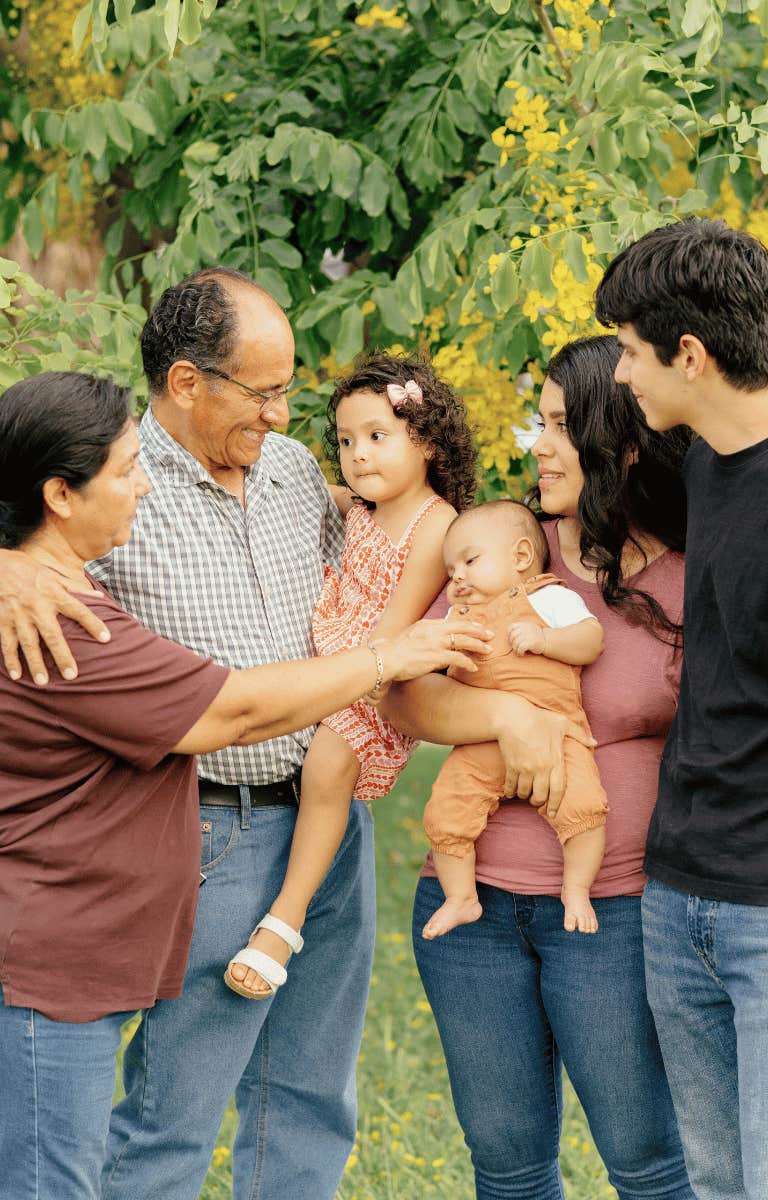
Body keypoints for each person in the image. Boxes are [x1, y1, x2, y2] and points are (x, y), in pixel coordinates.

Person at [0, 270, 492, 1200]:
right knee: (173, 1116)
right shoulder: (111, 493)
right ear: (188, 382)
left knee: (311, 1099)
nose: (279, 414)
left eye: (288, 391)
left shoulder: (298, 470)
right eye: (262, 391)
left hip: (327, 818)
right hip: (207, 829)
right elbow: (27, 518)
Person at [384, 335, 695, 1199]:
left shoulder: (689, 574)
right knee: (509, 1167)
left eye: (561, 426)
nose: (538, 446)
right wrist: (506, 713)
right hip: (473, 908)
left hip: (618, 911)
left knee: (648, 1161)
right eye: (540, 422)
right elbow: (402, 695)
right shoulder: (502, 552)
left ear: (621, 441)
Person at [595, 217, 768, 1199]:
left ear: (689, 355)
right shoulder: (700, 458)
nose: (621, 376)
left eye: (628, 352)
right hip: (681, 895)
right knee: (721, 1185)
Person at [224, 354, 477, 999]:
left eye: (377, 436)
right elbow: (298, 492)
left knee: (330, 760)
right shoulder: (358, 502)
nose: (358, 455)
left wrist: (338, 671)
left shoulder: (436, 524)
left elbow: (391, 634)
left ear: (425, 440)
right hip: (331, 649)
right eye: (345, 441)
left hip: (378, 672)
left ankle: (286, 918)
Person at [421, 499, 607, 939]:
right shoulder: (456, 618)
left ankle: (577, 889)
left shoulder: (550, 597)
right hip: (481, 743)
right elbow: (431, 678)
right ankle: (460, 897)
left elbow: (591, 640)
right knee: (447, 809)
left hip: (556, 733)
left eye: (470, 561)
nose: (458, 577)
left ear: (521, 557)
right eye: (451, 572)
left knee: (583, 806)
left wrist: (545, 640)